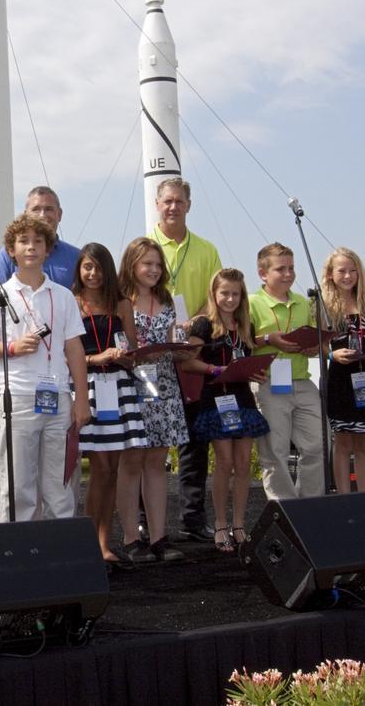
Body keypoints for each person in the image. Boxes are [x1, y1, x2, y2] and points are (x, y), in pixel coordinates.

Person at [0, 214, 90, 522]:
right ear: (11, 250)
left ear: (48, 249)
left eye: (38, 241)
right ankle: (15, 556)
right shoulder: (0, 296)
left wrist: (82, 398)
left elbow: (74, 348)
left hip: (58, 397)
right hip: (17, 397)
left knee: (59, 487)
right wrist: (11, 348)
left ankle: (58, 556)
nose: (31, 247)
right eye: (23, 241)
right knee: (17, 486)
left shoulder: (63, 297)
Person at [148, 177, 222, 541]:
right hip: (156, 354)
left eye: (179, 201)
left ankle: (192, 518)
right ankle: (148, 521)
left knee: (194, 440)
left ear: (189, 205)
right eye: (167, 201)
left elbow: (217, 297)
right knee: (152, 439)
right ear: (157, 204)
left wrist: (197, 331)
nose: (173, 207)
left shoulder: (207, 250)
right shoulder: (145, 247)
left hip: (193, 350)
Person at [71, 243, 146, 565]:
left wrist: (126, 356)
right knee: (100, 467)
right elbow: (67, 352)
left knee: (114, 469)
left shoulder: (122, 304)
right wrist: (95, 357)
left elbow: (132, 347)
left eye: (98, 268)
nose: (92, 274)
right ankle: (92, 544)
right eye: (87, 267)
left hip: (119, 387)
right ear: (79, 270)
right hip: (88, 386)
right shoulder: (72, 302)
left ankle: (104, 541)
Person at [185, 269, 270, 552]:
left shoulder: (245, 326)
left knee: (244, 462)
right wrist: (214, 369)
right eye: (225, 293)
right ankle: (221, 524)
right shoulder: (203, 326)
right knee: (224, 462)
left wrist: (255, 372)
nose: (230, 299)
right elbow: (187, 362)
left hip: (242, 398)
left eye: (235, 294)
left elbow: (247, 359)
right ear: (214, 293)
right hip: (215, 398)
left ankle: (239, 524)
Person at [118, 236, 189, 562]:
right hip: (133, 386)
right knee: (132, 463)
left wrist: (182, 343)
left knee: (157, 463)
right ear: (132, 264)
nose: (154, 270)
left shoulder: (172, 302)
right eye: (147, 263)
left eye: (158, 265)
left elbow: (180, 347)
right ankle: (132, 538)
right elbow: (120, 348)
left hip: (165, 387)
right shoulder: (120, 303)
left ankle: (160, 536)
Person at [250, 242, 322, 500]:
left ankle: (310, 505)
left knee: (317, 445)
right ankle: (285, 508)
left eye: (291, 268)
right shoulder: (251, 302)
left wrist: (312, 347)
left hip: (302, 380)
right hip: (269, 382)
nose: (289, 274)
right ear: (263, 273)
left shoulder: (302, 302)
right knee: (275, 451)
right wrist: (269, 339)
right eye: (281, 269)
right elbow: (242, 342)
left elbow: (311, 338)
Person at [320, 247, 365, 493]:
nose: (348, 276)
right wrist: (331, 354)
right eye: (342, 271)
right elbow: (316, 343)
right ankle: (343, 497)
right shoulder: (323, 304)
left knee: (364, 442)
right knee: (342, 442)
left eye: (353, 271)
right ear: (330, 274)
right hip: (340, 377)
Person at [0, 186, 81, 305]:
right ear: (26, 214)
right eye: (36, 209)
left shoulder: (77, 257)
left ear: (59, 214)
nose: (42, 215)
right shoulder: (7, 257)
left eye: (49, 209)